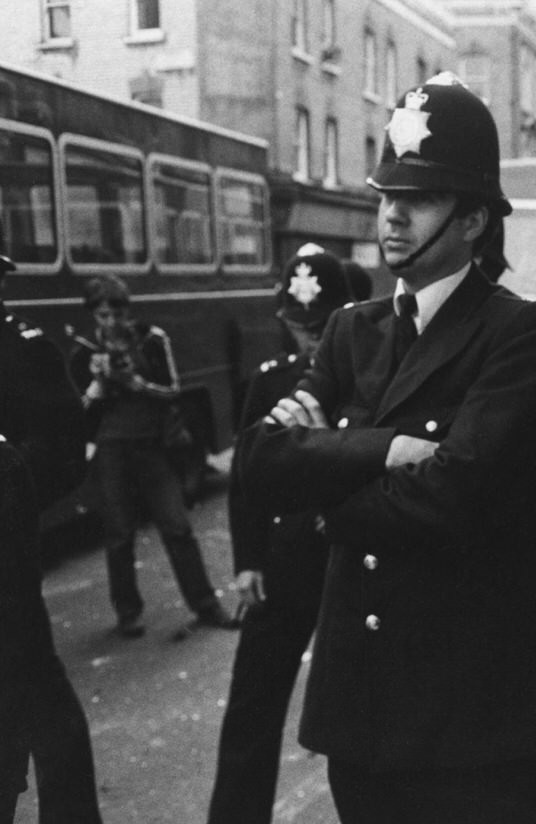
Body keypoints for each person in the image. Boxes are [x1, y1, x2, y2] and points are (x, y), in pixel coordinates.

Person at [238, 72, 536, 823]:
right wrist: (384, 449)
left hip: (475, 722)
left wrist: (322, 463)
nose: (391, 216)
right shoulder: (352, 329)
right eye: (387, 197)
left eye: (416, 200)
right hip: (363, 711)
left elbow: (452, 499)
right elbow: (261, 463)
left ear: (476, 220)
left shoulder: (523, 335)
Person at [208, 245, 365, 824]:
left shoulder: (368, 375)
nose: (306, 341)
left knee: (358, 708)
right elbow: (245, 476)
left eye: (318, 327)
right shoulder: (270, 377)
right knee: (252, 706)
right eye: (296, 326)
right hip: (280, 560)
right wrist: (247, 560)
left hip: (346, 553)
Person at [69, 275, 236, 638]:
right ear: (93, 316)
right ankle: (127, 613)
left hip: (152, 448)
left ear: (127, 312)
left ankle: (206, 604)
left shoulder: (152, 340)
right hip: (112, 450)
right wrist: (96, 389)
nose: (111, 323)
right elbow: (77, 413)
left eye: (116, 314)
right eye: (102, 316)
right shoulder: (84, 353)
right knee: (118, 533)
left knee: (177, 526)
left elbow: (175, 390)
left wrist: (137, 384)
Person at [0, 253, 102, 823]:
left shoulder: (24, 348)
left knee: (37, 701)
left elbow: (65, 452)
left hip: (2, 570)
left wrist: (8, 480)